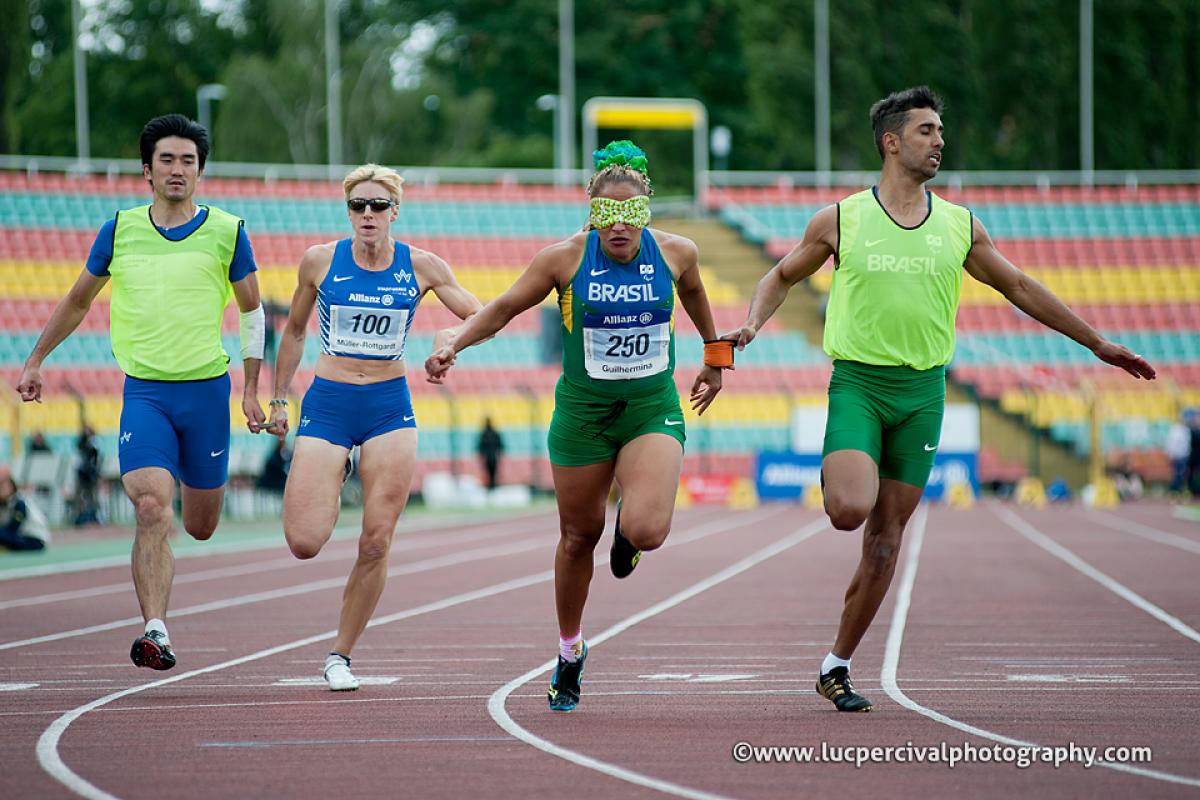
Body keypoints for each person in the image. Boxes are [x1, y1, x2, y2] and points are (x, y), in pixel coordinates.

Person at [725, 87, 1156, 713]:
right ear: (891, 142)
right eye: (927, 130)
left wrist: (1096, 343)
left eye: (941, 131)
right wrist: (752, 326)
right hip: (860, 385)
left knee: (885, 539)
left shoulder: (959, 224)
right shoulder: (842, 219)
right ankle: (841, 468)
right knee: (849, 510)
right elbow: (780, 275)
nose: (940, 141)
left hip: (924, 393)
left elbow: (1018, 285)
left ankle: (836, 666)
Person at [426, 140, 730, 712]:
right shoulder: (562, 259)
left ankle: (629, 536)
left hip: (648, 407)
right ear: (593, 211)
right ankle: (569, 652)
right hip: (582, 418)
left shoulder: (676, 253)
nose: (620, 226)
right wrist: (454, 345)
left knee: (648, 530)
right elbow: (502, 308)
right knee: (575, 538)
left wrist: (715, 359)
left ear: (647, 210)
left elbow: (694, 296)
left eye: (631, 213)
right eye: (608, 215)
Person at [16, 114, 269, 671]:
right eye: (167, 160)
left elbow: (253, 312)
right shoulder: (119, 230)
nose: (177, 170)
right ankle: (155, 629)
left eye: (188, 161)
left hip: (207, 393)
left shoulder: (228, 231)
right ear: (147, 170)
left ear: (201, 171)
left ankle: (189, 523)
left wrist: (252, 389)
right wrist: (36, 358)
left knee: (200, 524)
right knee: (152, 507)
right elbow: (79, 300)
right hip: (146, 393)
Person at [268, 163, 483, 692]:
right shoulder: (320, 262)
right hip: (330, 401)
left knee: (376, 541)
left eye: (378, 206)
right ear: (348, 211)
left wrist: (447, 341)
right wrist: (278, 398)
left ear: (395, 211)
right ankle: (336, 466)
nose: (367, 214)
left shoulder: (422, 266)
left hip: (389, 405)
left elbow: (480, 312)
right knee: (303, 541)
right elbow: (294, 331)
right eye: (357, 206)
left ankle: (340, 654)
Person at [0, 464, 50, 551]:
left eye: (2, 487)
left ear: (12, 487)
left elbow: (14, 527)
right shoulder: (5, 504)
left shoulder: (19, 503)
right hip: (20, 537)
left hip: (34, 540)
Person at [73, 424, 102, 525]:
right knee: (79, 493)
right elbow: (79, 454)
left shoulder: (94, 441)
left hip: (91, 472)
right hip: (82, 472)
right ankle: (80, 514)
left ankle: (94, 514)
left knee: (92, 494)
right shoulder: (81, 441)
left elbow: (96, 456)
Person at [1166, 409, 1192, 495]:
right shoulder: (1177, 429)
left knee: (1182, 474)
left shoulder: (1186, 430)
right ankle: (1174, 490)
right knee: (1178, 474)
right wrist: (1171, 454)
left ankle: (1178, 490)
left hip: (1184, 456)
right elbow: (1172, 443)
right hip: (1177, 456)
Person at [477, 417, 505, 490]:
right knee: (493, 473)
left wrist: (481, 455)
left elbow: (480, 447)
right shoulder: (494, 433)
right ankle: (493, 486)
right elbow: (500, 445)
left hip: (488, 457)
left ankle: (490, 487)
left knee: (489, 473)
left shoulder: (483, 434)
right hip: (493, 456)